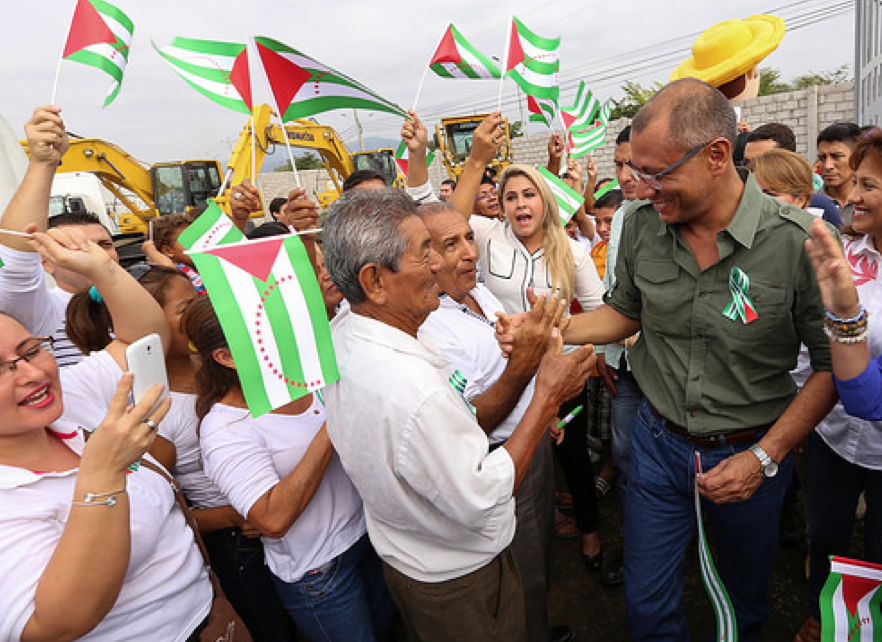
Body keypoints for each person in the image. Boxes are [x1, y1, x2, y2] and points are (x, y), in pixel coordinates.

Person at [507, 78, 836, 641]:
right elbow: (624, 313)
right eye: (636, 171)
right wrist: (548, 329)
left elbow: (832, 367)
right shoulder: (640, 223)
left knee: (743, 605)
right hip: (658, 448)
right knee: (647, 605)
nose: (641, 188)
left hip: (750, 449)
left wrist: (765, 456)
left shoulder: (800, 241)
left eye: (657, 173)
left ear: (716, 155)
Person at [321, 188, 594, 641]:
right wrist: (546, 395)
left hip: (418, 556)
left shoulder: (351, 330)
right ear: (374, 281)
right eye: (424, 251)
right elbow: (483, 496)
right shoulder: (412, 390)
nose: (438, 264)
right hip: (461, 579)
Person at [0, 225, 213, 641]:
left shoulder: (69, 403)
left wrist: (103, 270)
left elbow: (145, 340)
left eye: (31, 351)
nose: (31, 374)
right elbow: (52, 627)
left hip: (212, 617)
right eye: (0, 369)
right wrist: (102, 477)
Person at [184, 294, 395, 642]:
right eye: (261, 332)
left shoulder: (306, 376)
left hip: (369, 536)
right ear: (226, 357)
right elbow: (272, 519)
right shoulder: (226, 429)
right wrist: (331, 427)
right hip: (321, 572)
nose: (281, 336)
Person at [415, 200, 570, 642]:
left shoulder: (478, 292)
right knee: (522, 566)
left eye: (469, 237)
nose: (470, 252)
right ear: (424, 257)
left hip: (532, 438)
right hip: (499, 457)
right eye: (451, 244)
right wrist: (533, 376)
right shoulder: (429, 329)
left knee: (538, 553)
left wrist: (543, 410)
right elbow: (472, 423)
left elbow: (504, 362)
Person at [795, 128, 882, 642]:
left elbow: (868, 398)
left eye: (868, 186)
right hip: (833, 437)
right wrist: (800, 414)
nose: (852, 196)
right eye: (856, 183)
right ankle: (822, 617)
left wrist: (847, 317)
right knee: (826, 536)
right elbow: (811, 350)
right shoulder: (844, 254)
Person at [0, 106, 120, 367]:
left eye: (105, 244)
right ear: (46, 263)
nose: (97, 254)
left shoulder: (135, 303)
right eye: (77, 247)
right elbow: (16, 262)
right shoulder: (41, 312)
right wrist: (43, 164)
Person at [817, 122, 861, 223]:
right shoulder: (807, 204)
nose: (828, 166)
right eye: (822, 158)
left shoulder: (871, 204)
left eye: (836, 156)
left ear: (857, 158)